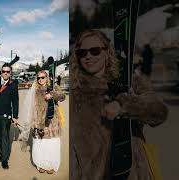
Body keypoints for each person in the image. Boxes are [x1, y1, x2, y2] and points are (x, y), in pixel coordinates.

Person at [70, 30, 168, 180]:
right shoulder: (75, 93)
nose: (88, 56)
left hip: (131, 172)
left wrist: (124, 105)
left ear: (107, 52)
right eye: (82, 53)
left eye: (95, 51)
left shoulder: (129, 81)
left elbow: (159, 112)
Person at [26, 70, 65, 174]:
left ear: (47, 78)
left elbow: (62, 97)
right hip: (39, 121)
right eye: (38, 78)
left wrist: (52, 94)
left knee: (52, 144)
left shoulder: (53, 87)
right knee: (40, 144)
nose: (40, 80)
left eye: (42, 77)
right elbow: (31, 106)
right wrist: (33, 122)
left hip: (52, 122)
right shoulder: (35, 89)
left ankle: (51, 165)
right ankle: (41, 164)